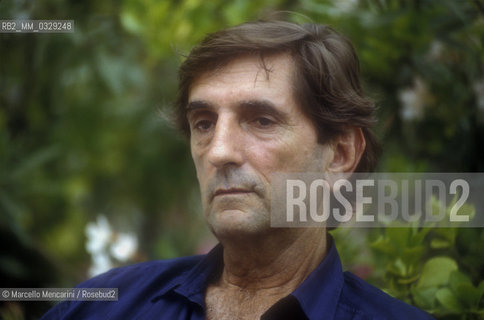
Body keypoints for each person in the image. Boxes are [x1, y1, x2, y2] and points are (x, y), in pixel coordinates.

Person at [42, 20, 434, 319]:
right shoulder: (102, 307)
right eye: (204, 123)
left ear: (341, 154)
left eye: (262, 120)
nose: (219, 151)